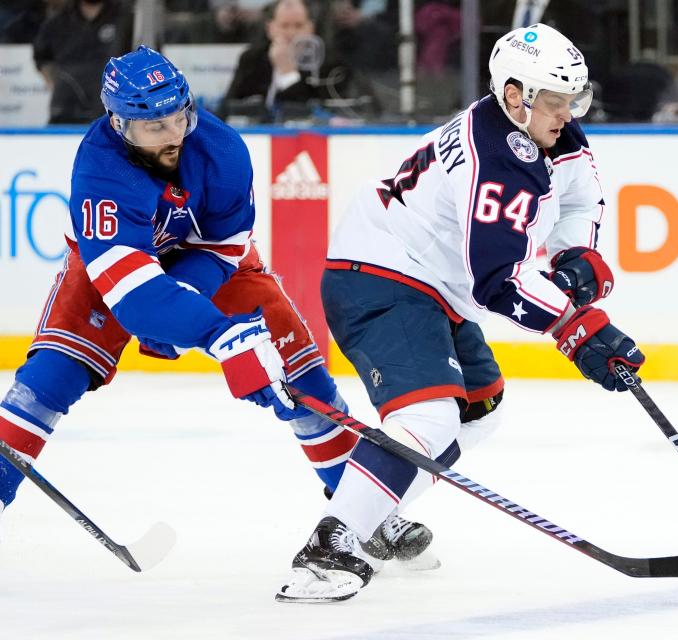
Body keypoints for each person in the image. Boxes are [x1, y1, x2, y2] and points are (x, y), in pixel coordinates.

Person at [0, 46, 430, 582]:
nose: (172, 135)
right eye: (152, 126)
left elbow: (225, 249)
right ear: (119, 124)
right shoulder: (99, 170)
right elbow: (134, 299)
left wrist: (205, 319)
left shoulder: (222, 150)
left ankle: (360, 512)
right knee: (50, 377)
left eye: (177, 116)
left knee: (303, 374)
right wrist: (213, 332)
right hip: (113, 270)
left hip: (211, 264)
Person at [273, 23, 645, 603]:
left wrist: (575, 252)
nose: (567, 113)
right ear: (515, 94)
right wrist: (575, 328)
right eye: (554, 99)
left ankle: (371, 510)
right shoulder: (495, 158)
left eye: (573, 100)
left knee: (477, 413)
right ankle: (330, 547)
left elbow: (578, 197)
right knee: (430, 419)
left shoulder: (550, 133)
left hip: (434, 285)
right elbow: (499, 282)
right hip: (380, 273)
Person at [222, 0, 353, 121]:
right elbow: (226, 108)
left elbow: (323, 114)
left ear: (311, 28)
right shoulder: (251, 59)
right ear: (270, 29)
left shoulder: (330, 64)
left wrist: (288, 74)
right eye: (284, 26)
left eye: (298, 26)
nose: (291, 33)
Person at [32, 0, 133, 124]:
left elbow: (142, 61)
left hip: (113, 114)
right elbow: (42, 58)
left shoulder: (127, 18)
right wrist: (58, 84)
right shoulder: (57, 22)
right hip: (66, 113)